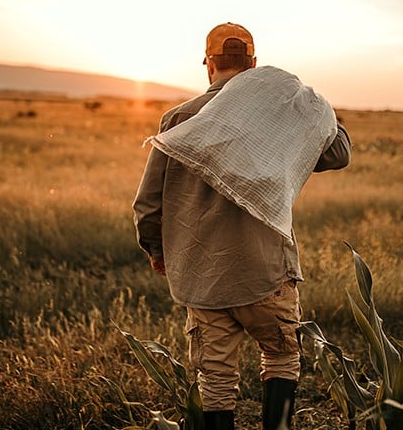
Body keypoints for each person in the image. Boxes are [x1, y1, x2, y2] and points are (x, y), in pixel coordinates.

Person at [133, 22, 351, 430]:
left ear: (208, 63)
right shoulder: (277, 116)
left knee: (215, 377)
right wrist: (319, 111)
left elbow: (146, 205)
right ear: (252, 64)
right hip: (266, 271)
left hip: (201, 274)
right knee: (281, 356)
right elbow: (339, 153)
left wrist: (157, 252)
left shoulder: (178, 118)